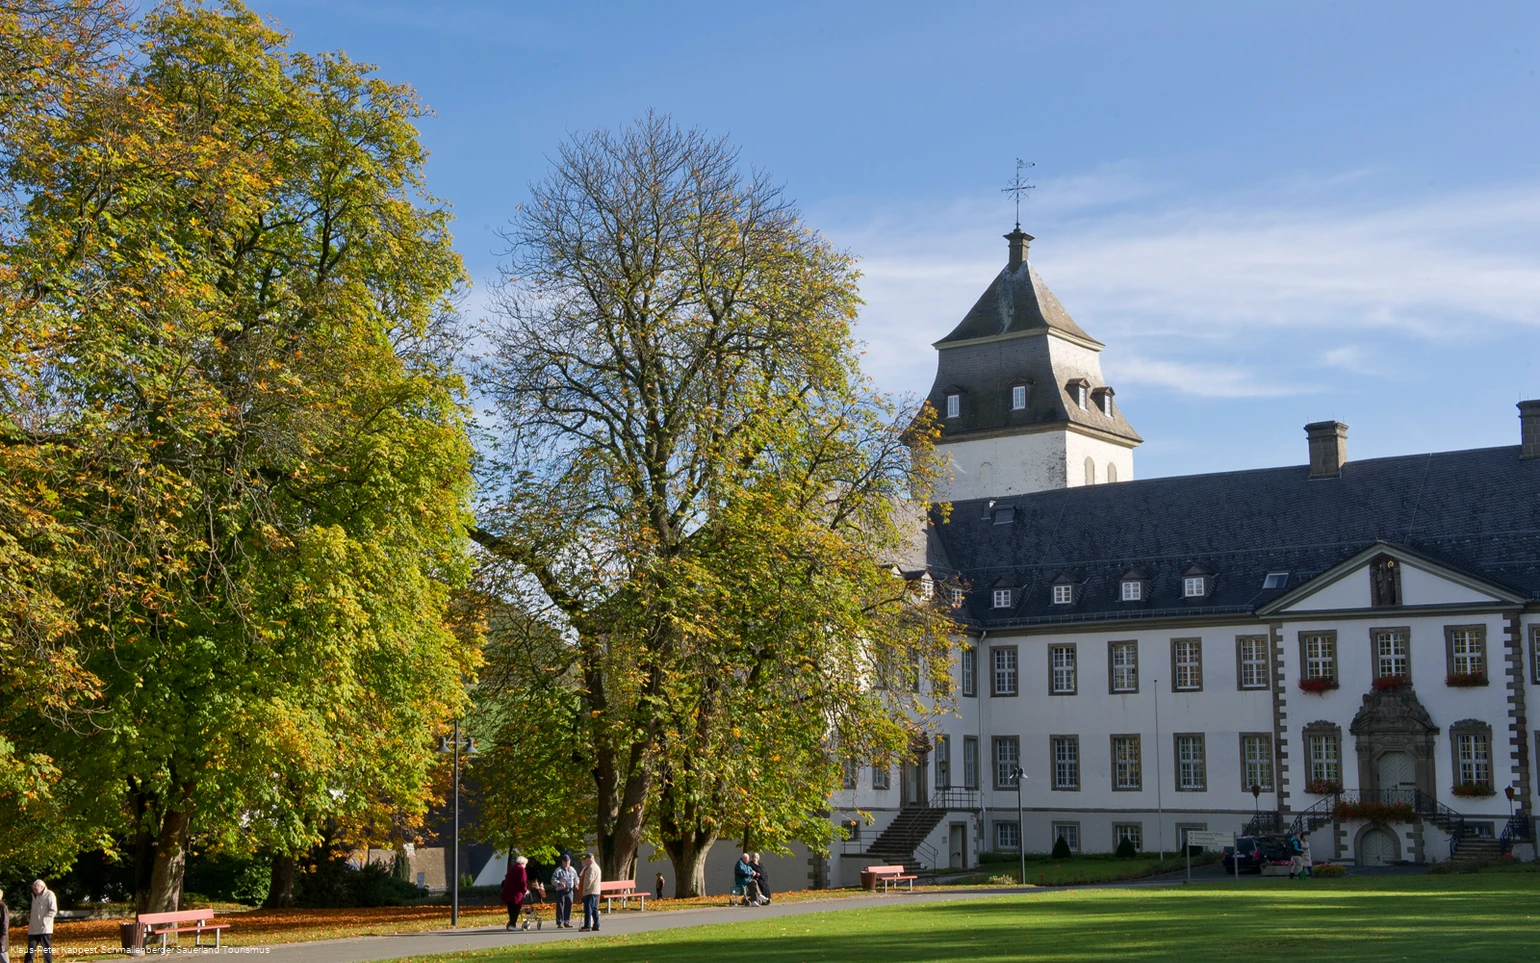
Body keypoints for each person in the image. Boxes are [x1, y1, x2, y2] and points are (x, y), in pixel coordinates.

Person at [24, 880, 54, 963]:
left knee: (46, 949)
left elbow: (53, 910)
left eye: (36, 889)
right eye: (33, 889)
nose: (34, 891)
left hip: (44, 928)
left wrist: (45, 921)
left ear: (42, 887)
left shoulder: (50, 894)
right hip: (33, 928)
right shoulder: (34, 896)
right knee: (30, 949)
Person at [501, 856, 529, 931]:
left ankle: (511, 923)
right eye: (525, 864)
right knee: (516, 909)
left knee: (511, 909)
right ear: (522, 863)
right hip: (516, 894)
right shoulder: (521, 869)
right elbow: (522, 881)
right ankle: (512, 924)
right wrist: (525, 890)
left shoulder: (512, 868)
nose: (525, 866)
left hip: (507, 892)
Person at [550, 854, 578, 929]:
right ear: (562, 862)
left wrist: (576, 884)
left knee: (569, 905)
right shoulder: (558, 870)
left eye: (568, 862)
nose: (567, 863)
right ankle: (559, 922)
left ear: (570, 861)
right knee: (560, 906)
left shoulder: (572, 869)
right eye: (565, 862)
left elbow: (576, 878)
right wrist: (559, 883)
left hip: (570, 890)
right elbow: (553, 880)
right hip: (561, 890)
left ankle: (567, 922)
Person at [578, 852, 602, 932]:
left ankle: (587, 925)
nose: (585, 861)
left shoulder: (591, 868)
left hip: (590, 891)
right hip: (596, 891)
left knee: (588, 909)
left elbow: (588, 881)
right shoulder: (597, 867)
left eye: (585, 860)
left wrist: (584, 891)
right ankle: (596, 925)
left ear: (589, 859)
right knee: (594, 909)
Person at [2, 886, 11, 963]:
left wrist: (3, 935)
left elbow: (5, 923)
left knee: (3, 958)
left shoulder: (3, 907)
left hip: (1, 938)